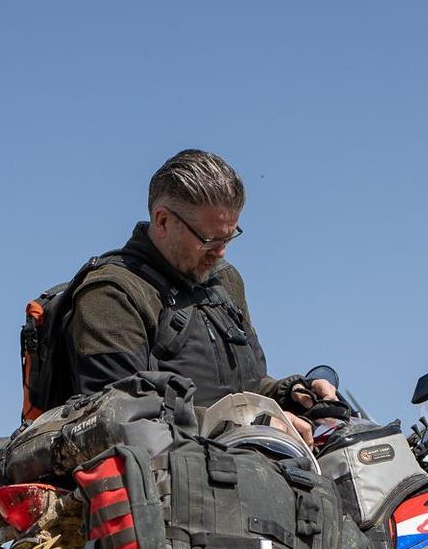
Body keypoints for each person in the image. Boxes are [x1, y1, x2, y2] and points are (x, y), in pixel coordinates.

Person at [66, 149, 334, 435]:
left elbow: (245, 388)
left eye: (228, 237)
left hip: (247, 465)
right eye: (208, 240)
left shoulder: (225, 281)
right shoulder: (111, 295)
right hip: (161, 475)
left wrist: (288, 394)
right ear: (163, 221)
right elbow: (117, 418)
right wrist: (249, 425)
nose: (220, 253)